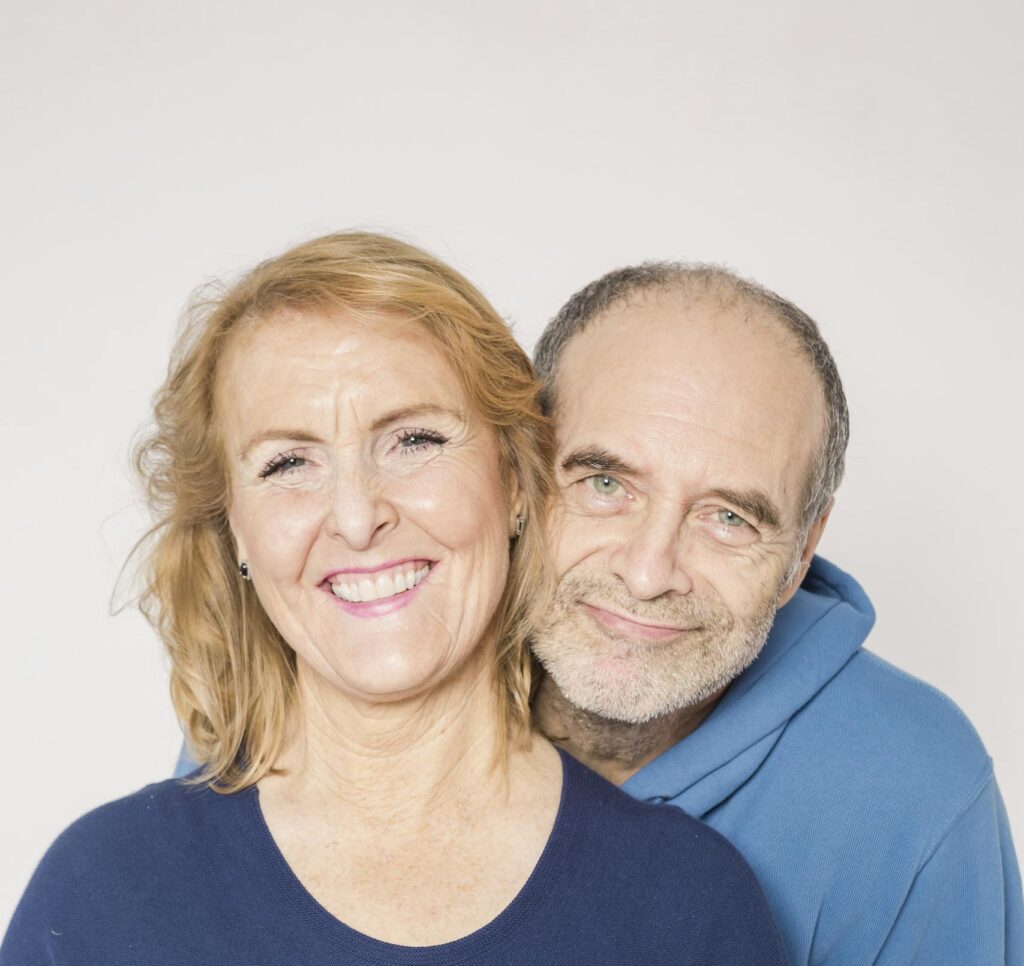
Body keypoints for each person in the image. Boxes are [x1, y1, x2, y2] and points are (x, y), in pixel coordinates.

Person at [1, 234, 786, 965]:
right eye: (287, 464)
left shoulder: (688, 905)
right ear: (234, 528)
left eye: (414, 441)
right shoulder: (102, 894)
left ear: (516, 483)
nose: (356, 517)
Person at [528, 262, 1024, 965]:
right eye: (605, 483)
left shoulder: (916, 788)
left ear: (802, 552)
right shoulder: (407, 672)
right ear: (517, 474)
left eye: (729, 518)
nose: (646, 573)